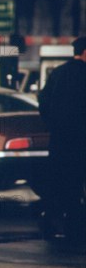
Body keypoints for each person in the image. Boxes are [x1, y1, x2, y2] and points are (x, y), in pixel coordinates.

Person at [37, 36, 86, 240]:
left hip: (58, 139)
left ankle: (50, 223)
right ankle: (75, 226)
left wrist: (53, 125)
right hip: (81, 139)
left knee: (58, 181)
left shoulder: (57, 73)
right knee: (77, 182)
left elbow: (43, 101)